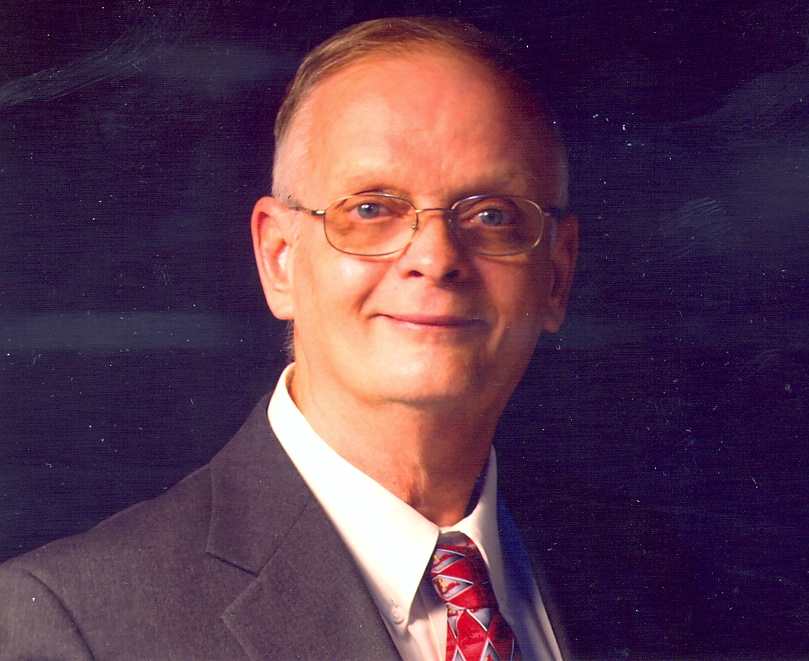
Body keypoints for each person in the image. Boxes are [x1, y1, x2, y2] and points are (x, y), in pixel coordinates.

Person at [0, 17, 698, 661]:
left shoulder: (641, 566)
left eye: (491, 214)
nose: (435, 257)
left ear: (557, 274)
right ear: (279, 258)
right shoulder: (74, 622)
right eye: (370, 208)